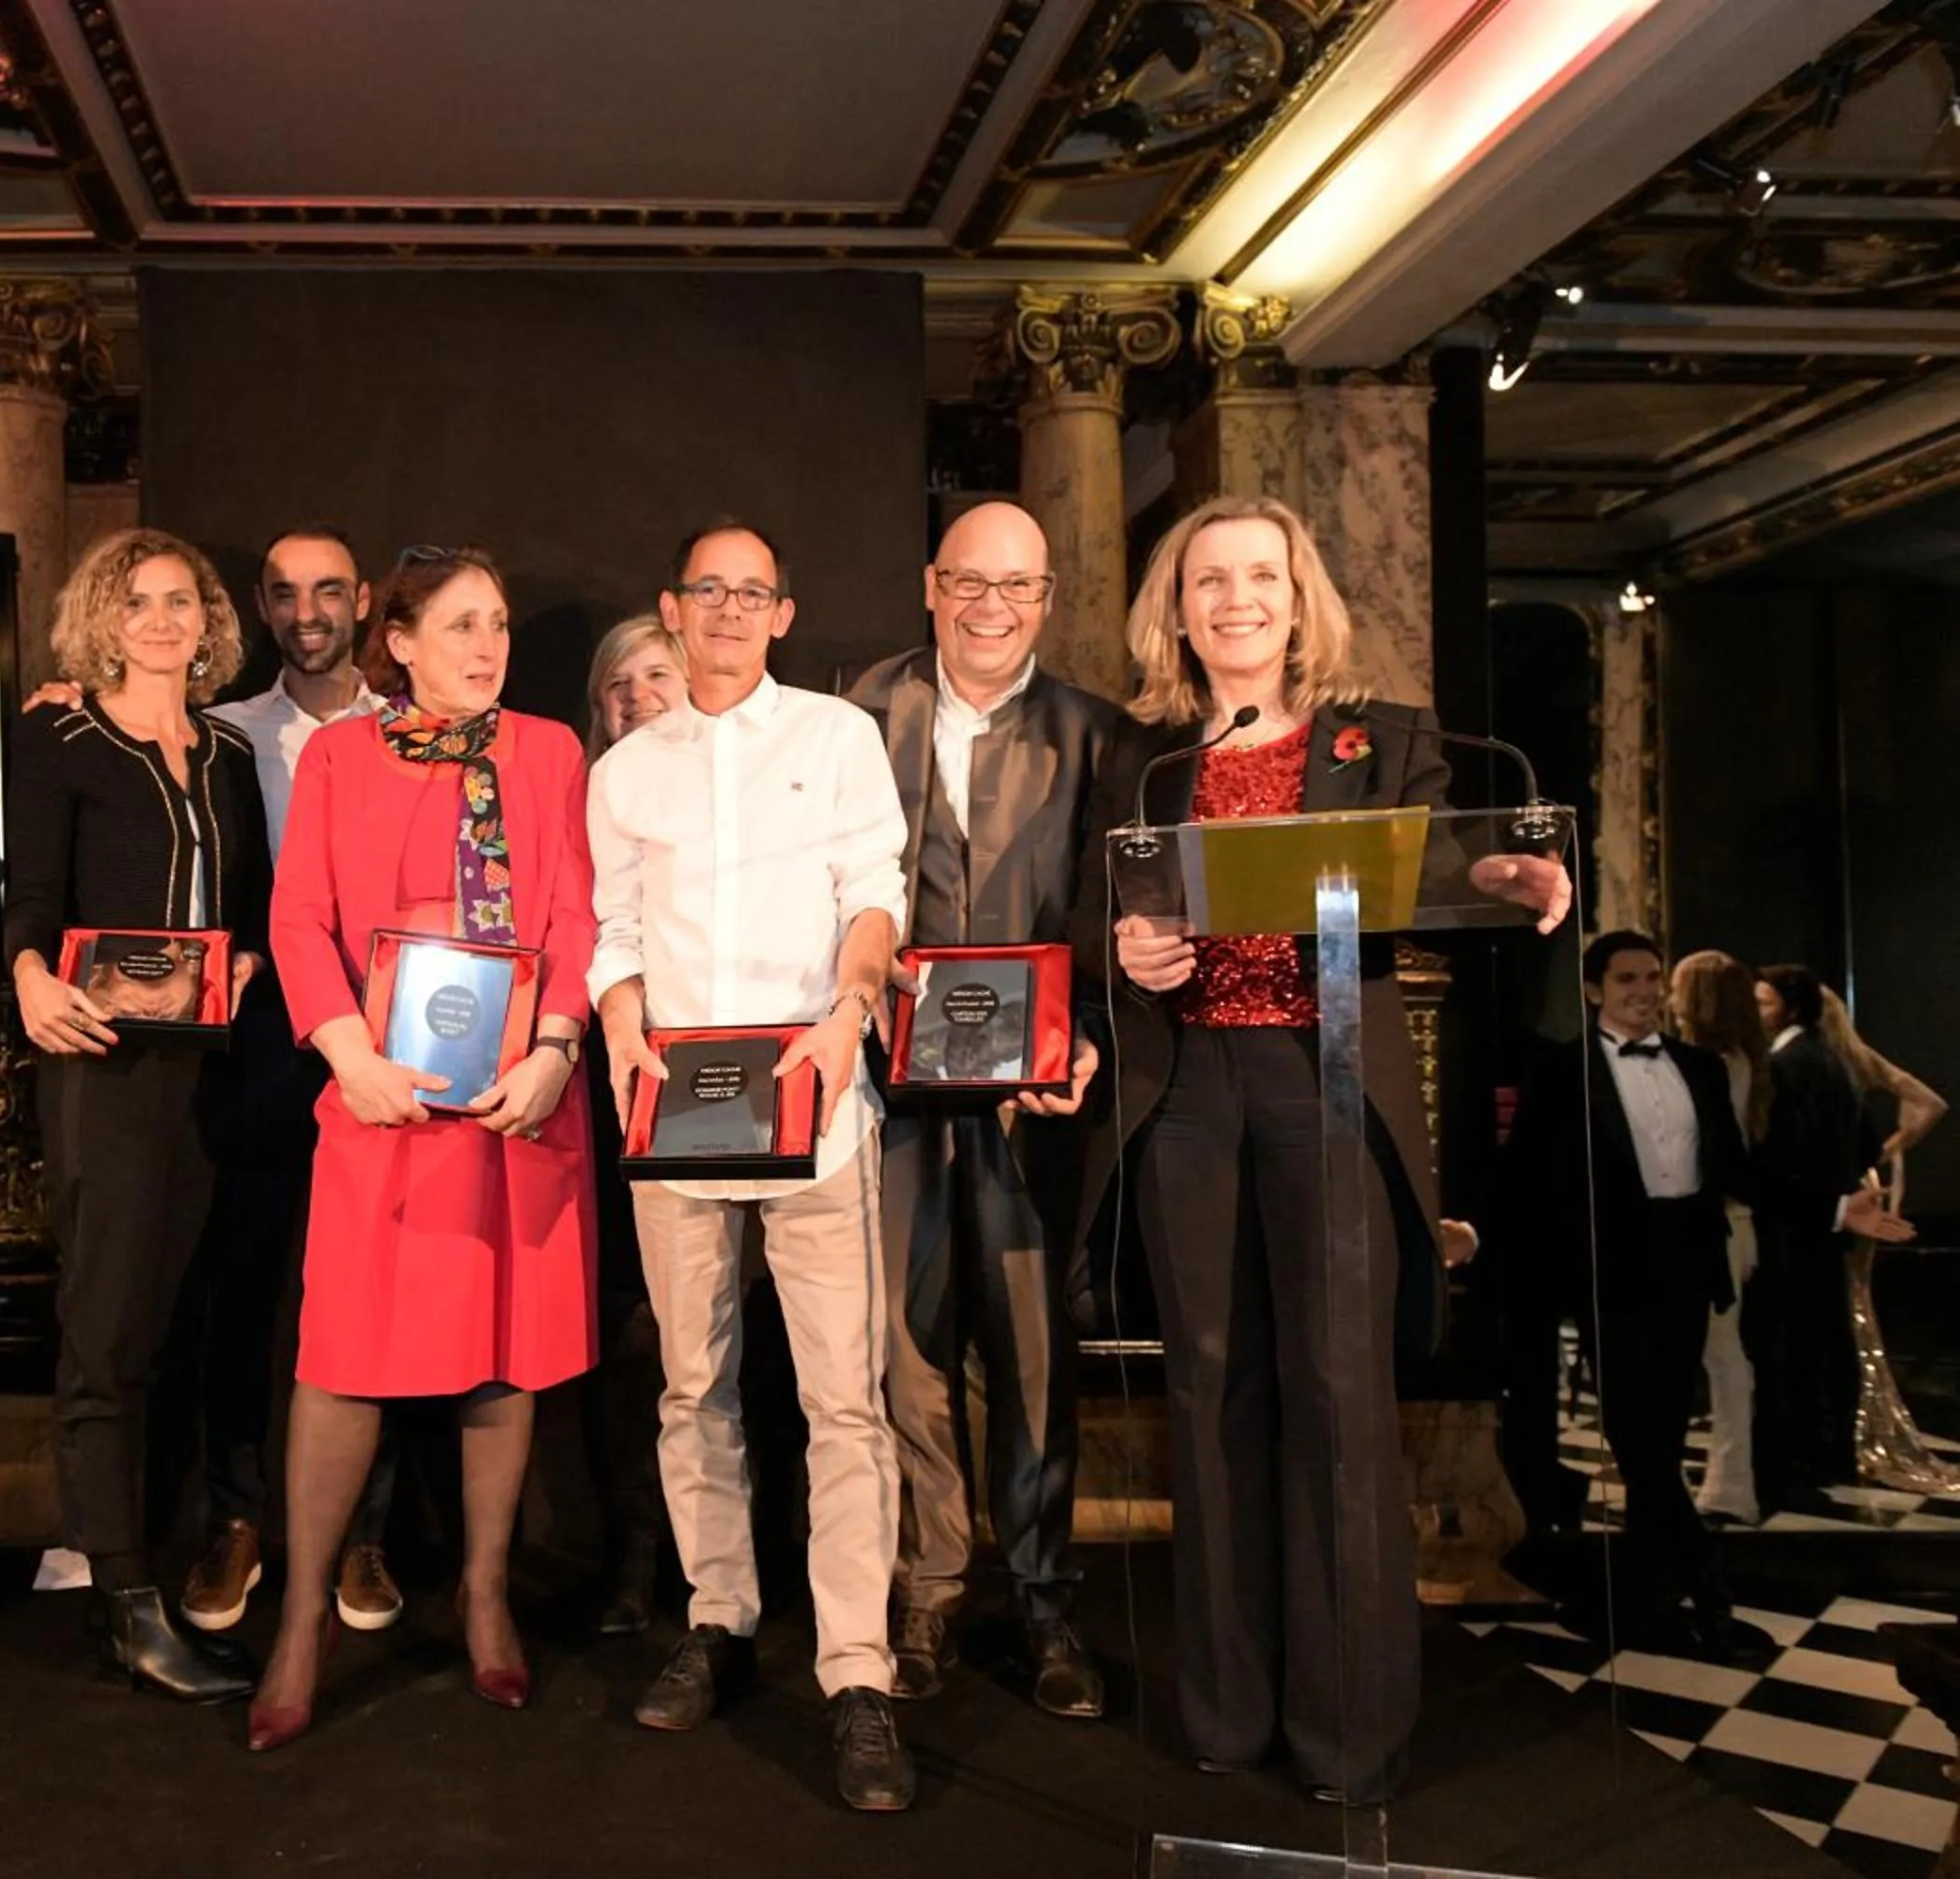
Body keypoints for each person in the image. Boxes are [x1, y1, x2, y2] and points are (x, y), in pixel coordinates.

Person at [1075, 493, 1568, 1805]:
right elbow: (1096, 915)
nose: (1235, 600)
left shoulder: (1388, 740)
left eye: (1260, 577)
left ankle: (1350, 1735)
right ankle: (1228, 1716)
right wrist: (1124, 952)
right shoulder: (1148, 758)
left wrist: (1514, 877)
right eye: (1208, 580)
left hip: (1327, 1086)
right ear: (1175, 611)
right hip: (1189, 1097)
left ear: (1302, 600)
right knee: (1210, 1401)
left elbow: (1457, 870)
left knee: (1341, 1407)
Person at [588, 520, 918, 1813]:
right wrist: (619, 1021)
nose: (728, 609)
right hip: (671, 1115)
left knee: (844, 1402)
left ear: (782, 613)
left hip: (817, 1108)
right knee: (692, 1384)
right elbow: (610, 921)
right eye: (707, 589)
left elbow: (874, 889)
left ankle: (857, 1673)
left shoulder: (836, 738)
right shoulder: (628, 769)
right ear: (672, 608)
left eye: (752, 592)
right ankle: (717, 1615)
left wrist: (850, 1008)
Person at [248, 545, 598, 1752]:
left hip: (518, 1099)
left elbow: (574, 911)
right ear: (396, 638)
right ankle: (302, 1618)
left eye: (497, 622)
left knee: (504, 1349)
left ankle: (486, 1590)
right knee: (342, 1353)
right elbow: (297, 918)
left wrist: (555, 1047)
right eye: (459, 624)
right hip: (382, 1097)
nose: (487, 645)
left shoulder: (548, 750)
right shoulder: (340, 754)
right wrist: (349, 1054)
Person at [844, 500, 1111, 1715]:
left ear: (1046, 599)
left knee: (1033, 1355)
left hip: (1033, 1101)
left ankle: (1046, 1599)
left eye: (1018, 587)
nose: (993, 607)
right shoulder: (856, 716)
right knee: (904, 1353)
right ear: (930, 585)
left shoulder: (1099, 738)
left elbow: (1112, 925)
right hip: (887, 1091)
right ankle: (932, 1589)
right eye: (970, 583)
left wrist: (1087, 1044)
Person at [6, 527, 272, 1705]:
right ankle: (121, 1599)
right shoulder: (57, 730)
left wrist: (252, 964)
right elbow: (29, 897)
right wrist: (26, 977)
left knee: (174, 1324)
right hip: (102, 1063)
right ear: (102, 619)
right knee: (106, 1330)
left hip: (208, 1068)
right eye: (138, 602)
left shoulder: (221, 749)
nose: (161, 621)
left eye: (181, 602)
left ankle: (148, 1577)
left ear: (208, 620)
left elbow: (253, 905)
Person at [183, 525, 405, 1638]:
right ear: (261, 609)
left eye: (328, 589)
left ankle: (366, 1532)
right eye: (284, 593)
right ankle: (236, 1517)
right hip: (261, 1046)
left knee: (376, 1290)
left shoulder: (419, 734)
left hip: (393, 1038)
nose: (308, 609)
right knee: (244, 1290)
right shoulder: (219, 733)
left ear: (364, 600)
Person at [1500, 934, 1828, 1660]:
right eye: (1626, 979)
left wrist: (1834, 1211)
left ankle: (1649, 1594)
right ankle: (1706, 1582)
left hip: (1688, 1269)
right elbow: (1526, 1181)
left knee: (1663, 1438)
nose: (1643, 990)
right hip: (1610, 1277)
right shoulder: (1559, 1072)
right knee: (1636, 1439)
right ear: (1593, 990)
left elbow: (1741, 1172)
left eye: (1652, 977)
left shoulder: (1700, 1067)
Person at [578, 613, 686, 1633]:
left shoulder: (730, 795)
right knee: (628, 1341)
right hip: (605, 1109)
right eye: (619, 681)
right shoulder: (577, 804)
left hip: (719, 1097)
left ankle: (720, 1573)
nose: (639, 692)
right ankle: (630, 1563)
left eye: (660, 671)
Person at [1814, 996, 1956, 1495]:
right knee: (1857, 1302)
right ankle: (1863, 1417)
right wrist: (1889, 1151)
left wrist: (1888, 1149)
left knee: (1848, 1302)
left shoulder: (1823, 1058)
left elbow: (1932, 1103)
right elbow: (1930, 1104)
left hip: (1846, 1187)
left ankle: (1855, 1422)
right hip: (1861, 1179)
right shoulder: (1856, 1054)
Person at [1748, 965, 1875, 1512]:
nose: (1755, 1012)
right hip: (1827, 1221)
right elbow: (1867, 1140)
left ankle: (1803, 1456)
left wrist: (1825, 1201)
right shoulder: (1831, 1060)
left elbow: (1783, 1155)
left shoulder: (1787, 1065)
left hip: (1796, 1224)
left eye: (1763, 1002)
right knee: (1824, 1336)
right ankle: (1830, 1452)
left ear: (1790, 1008)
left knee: (1794, 1344)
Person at [1668, 949, 1774, 1526]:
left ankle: (1729, 1484)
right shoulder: (1742, 1058)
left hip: (1715, 1221)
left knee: (1717, 1357)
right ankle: (1726, 1481)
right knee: (1723, 1357)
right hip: (1734, 1221)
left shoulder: (1710, 1062)